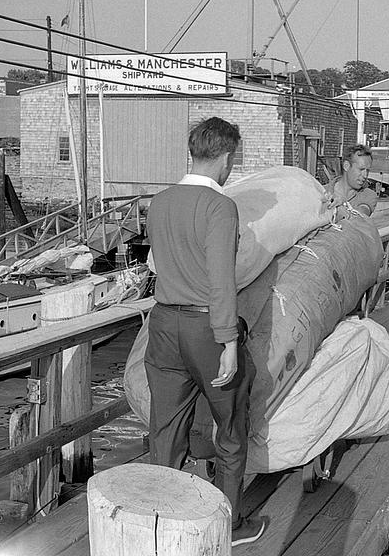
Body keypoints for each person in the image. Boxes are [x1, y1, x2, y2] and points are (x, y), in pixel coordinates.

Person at [144, 117, 265, 546]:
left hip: (162, 325)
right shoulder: (220, 207)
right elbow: (220, 282)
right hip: (205, 329)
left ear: (192, 152)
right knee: (230, 429)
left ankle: (165, 519)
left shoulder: (158, 202)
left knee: (166, 429)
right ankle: (228, 526)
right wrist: (229, 342)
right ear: (227, 158)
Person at [325, 144, 378, 218]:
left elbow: (360, 215)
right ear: (346, 166)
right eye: (361, 169)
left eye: (367, 170)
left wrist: (342, 206)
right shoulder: (322, 191)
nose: (365, 175)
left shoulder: (368, 195)